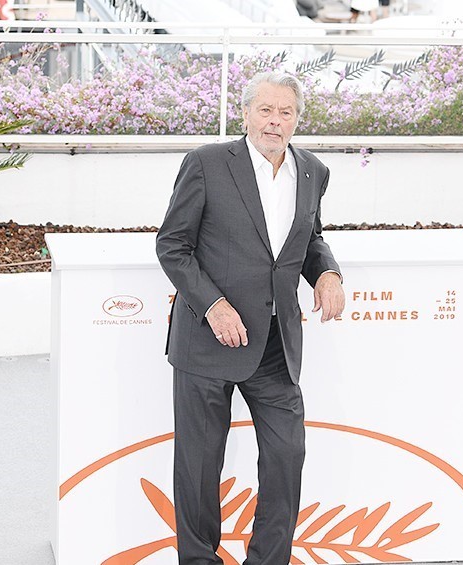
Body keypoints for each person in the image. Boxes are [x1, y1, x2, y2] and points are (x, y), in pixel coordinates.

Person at [156, 71, 345, 565]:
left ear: (297, 119)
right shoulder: (206, 163)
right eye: (266, 110)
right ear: (245, 114)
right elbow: (173, 245)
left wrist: (327, 273)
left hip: (275, 345)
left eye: (286, 112)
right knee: (199, 465)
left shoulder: (313, 171)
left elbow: (310, 239)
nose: (275, 121)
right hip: (207, 341)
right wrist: (212, 305)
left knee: (286, 456)